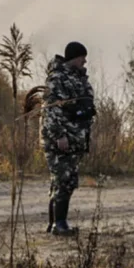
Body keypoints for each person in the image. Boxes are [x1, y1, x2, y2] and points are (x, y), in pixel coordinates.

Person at [41, 41, 97, 237]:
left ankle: (55, 223)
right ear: (75, 57)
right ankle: (59, 223)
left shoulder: (79, 78)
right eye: (82, 57)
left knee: (67, 180)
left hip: (76, 138)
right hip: (61, 139)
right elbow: (51, 110)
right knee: (62, 180)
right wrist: (59, 135)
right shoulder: (57, 78)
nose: (85, 61)